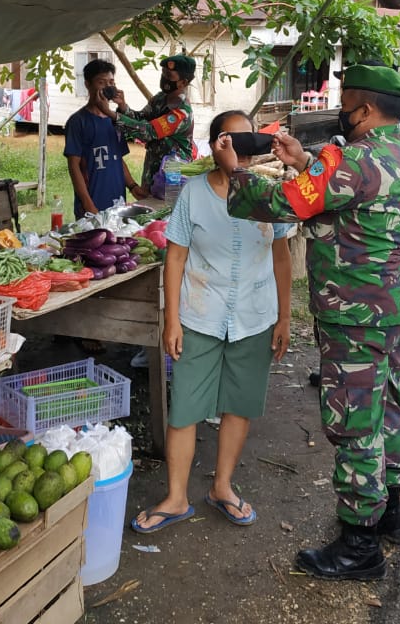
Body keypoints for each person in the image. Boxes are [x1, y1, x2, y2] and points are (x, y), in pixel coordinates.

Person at [211, 64, 400, 581]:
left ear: (366, 110)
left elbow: (286, 201)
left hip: (357, 316)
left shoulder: (354, 159)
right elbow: (341, 189)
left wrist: (235, 170)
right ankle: (391, 511)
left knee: (355, 423)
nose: (342, 115)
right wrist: (307, 160)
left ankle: (359, 545)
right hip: (396, 308)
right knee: (389, 407)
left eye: (346, 106)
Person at [131, 110, 293, 535]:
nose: (244, 149)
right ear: (220, 142)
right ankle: (176, 496)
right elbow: (176, 255)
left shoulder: (267, 194)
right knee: (185, 405)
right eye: (235, 140)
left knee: (239, 403)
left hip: (254, 315)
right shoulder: (194, 195)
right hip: (200, 313)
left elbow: (281, 257)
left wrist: (283, 317)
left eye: (250, 141)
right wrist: (172, 320)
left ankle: (222, 487)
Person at [63, 60, 145, 219]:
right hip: (92, 204)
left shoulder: (115, 119)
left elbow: (117, 159)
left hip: (117, 203)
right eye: (102, 82)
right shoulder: (78, 121)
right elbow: (74, 166)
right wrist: (88, 205)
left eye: (111, 82)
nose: (108, 87)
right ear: (87, 84)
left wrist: (133, 186)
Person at [112, 54, 196, 192]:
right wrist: (122, 106)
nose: (164, 78)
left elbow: (149, 132)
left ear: (183, 82)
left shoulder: (182, 112)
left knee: (167, 210)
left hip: (172, 175)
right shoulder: (160, 98)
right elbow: (140, 118)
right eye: (163, 73)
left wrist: (115, 117)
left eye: (169, 76)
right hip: (152, 169)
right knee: (149, 208)